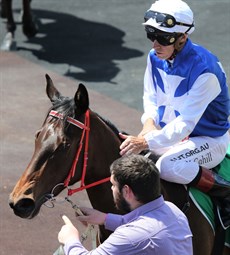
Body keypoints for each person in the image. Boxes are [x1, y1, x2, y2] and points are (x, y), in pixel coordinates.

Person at [119, 0, 230, 228]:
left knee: (167, 167)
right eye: (152, 35)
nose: (155, 44)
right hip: (170, 137)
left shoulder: (205, 70)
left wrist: (145, 140)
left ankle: (225, 192)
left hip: (208, 141)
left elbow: (185, 125)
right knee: (128, 159)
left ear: (182, 37)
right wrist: (148, 123)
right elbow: (150, 96)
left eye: (163, 37)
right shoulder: (154, 57)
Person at [57, 154, 193, 255]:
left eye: (113, 185)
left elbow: (138, 233)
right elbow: (142, 227)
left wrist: (70, 239)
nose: (111, 189)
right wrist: (105, 218)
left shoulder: (130, 236)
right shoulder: (173, 209)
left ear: (127, 191)